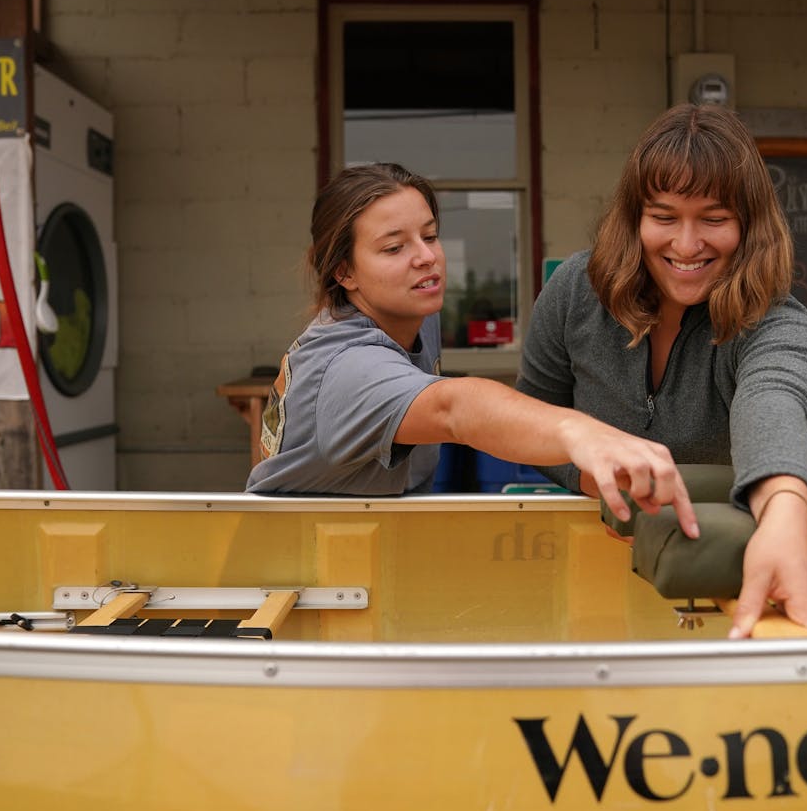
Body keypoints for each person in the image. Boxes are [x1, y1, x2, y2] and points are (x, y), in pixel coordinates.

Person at [516, 104, 807, 638]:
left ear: (749, 224)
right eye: (664, 217)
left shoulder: (775, 325)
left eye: (714, 218)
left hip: (723, 588)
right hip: (589, 578)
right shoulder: (574, 291)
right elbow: (530, 416)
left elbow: (775, 402)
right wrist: (590, 475)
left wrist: (784, 515)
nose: (686, 245)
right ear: (634, 217)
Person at [246, 162, 697, 536]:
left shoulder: (413, 312)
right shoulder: (348, 368)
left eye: (430, 234)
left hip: (362, 552)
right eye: (393, 247)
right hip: (299, 573)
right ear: (344, 272)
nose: (426, 256)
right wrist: (580, 433)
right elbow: (452, 408)